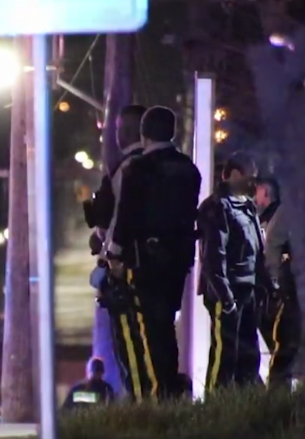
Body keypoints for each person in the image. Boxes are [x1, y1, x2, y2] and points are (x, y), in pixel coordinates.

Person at [101, 106, 202, 402]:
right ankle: (170, 388)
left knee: (148, 330)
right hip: (178, 259)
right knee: (166, 322)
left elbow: (126, 218)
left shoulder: (138, 169)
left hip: (144, 260)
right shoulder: (188, 169)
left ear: (143, 134)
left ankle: (157, 394)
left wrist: (115, 255)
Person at [82, 104, 147, 398]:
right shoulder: (174, 166)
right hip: (164, 268)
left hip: (128, 269)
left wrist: (109, 253)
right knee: (156, 340)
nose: (117, 135)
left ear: (133, 129)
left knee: (130, 341)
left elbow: (113, 221)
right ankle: (157, 401)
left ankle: (140, 402)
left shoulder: (126, 170)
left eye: (120, 128)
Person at [197, 151, 276, 391]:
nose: (252, 182)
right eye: (248, 176)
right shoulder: (218, 207)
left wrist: (267, 286)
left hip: (247, 290)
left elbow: (256, 251)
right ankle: (216, 404)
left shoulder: (246, 206)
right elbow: (214, 256)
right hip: (228, 293)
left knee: (248, 352)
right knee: (225, 354)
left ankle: (244, 402)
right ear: (232, 174)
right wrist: (226, 298)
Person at [254, 177, 301, 390]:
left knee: (287, 340)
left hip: (295, 285)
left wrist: (273, 280)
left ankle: (279, 393)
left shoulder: (290, 208)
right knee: (288, 340)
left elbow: (271, 242)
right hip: (296, 285)